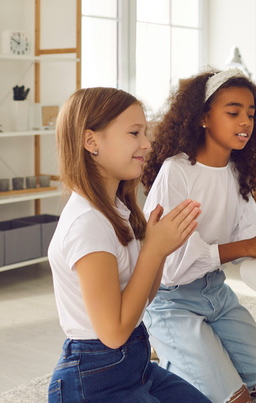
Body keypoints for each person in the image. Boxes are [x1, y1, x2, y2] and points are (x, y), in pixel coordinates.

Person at [47, 87, 208, 402]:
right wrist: (154, 250)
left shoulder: (118, 210)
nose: (146, 144)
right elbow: (113, 333)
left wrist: (162, 248)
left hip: (136, 365)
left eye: (145, 132)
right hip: (93, 378)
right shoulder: (87, 226)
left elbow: (142, 299)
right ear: (91, 142)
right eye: (135, 133)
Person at [140, 69, 256, 403]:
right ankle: (163, 356)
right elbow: (173, 265)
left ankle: (200, 351)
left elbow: (248, 230)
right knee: (235, 400)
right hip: (170, 299)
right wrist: (246, 245)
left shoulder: (236, 169)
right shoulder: (176, 171)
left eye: (251, 115)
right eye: (233, 112)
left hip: (215, 293)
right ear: (205, 117)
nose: (246, 122)